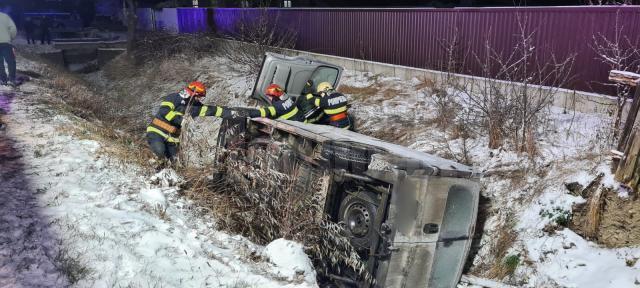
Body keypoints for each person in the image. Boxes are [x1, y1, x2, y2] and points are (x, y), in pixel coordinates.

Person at [146, 81, 231, 162]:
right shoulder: (173, 97)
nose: (199, 99)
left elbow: (211, 110)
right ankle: (152, 168)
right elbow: (164, 111)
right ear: (192, 93)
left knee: (176, 163)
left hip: (173, 138)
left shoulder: (194, 107)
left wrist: (228, 112)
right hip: (156, 131)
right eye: (198, 96)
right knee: (160, 151)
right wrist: (180, 120)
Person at [0, 9, 16, 86]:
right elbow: (13, 29)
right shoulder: (5, 16)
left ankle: (3, 79)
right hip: (6, 43)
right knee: (11, 61)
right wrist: (10, 38)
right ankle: (12, 79)